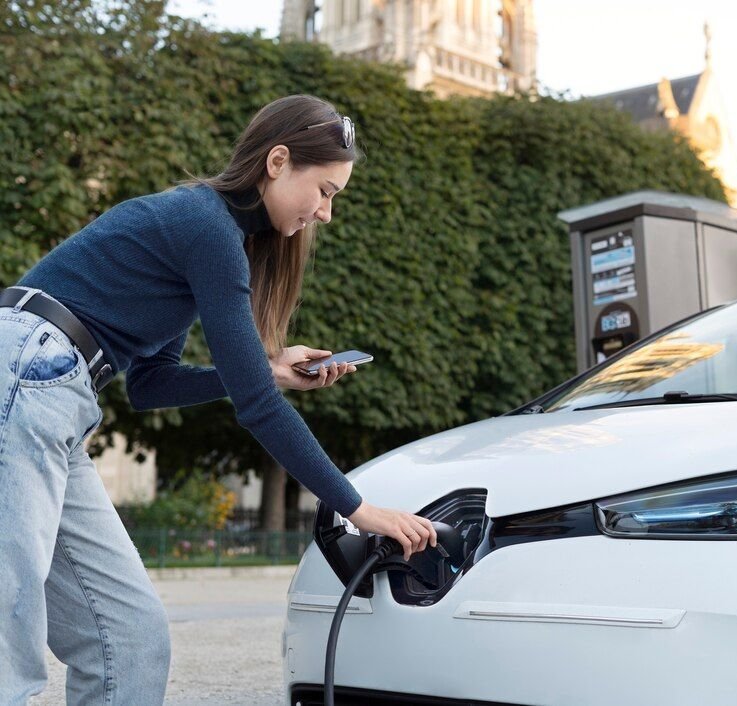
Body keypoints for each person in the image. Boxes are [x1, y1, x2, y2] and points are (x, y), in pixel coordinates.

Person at [0, 94, 437, 705]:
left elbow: (152, 384)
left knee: (128, 637)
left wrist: (268, 370)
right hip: (22, 374)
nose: (327, 213)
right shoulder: (205, 225)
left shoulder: (204, 233)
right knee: (7, 641)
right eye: (327, 191)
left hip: (54, 397)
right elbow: (255, 407)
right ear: (279, 161)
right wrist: (356, 508)